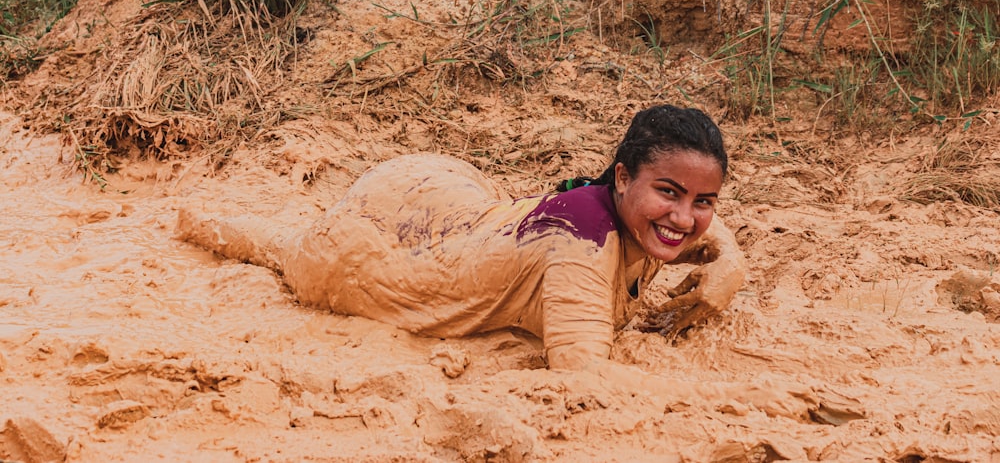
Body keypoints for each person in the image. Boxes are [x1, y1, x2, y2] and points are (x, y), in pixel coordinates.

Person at [176, 104, 746, 372]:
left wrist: (728, 268)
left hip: (442, 194)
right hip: (365, 259)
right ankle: (196, 219)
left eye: (703, 200)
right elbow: (584, 379)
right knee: (281, 251)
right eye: (669, 192)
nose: (684, 216)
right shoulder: (584, 243)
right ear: (621, 178)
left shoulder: (625, 209)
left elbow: (711, 233)